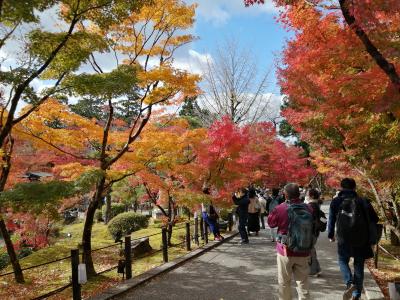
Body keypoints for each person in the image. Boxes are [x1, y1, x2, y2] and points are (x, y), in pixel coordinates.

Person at [328, 178, 379, 300]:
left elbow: (331, 220)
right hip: (361, 238)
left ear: (341, 187)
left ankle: (349, 282)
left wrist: (330, 234)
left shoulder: (336, 201)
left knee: (342, 260)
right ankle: (356, 294)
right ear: (355, 188)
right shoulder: (363, 201)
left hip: (343, 237)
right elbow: (375, 219)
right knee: (359, 264)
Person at [268, 183, 312, 300]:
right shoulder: (308, 208)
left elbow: (271, 223)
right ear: (299, 194)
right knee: (303, 283)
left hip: (285, 251)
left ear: (285, 195)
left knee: (284, 282)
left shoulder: (280, 208)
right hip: (304, 250)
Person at [307, 188, 327, 276]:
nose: (306, 196)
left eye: (307, 194)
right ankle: (316, 269)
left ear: (311, 196)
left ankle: (314, 270)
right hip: (315, 231)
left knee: (310, 250)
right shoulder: (316, 205)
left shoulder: (310, 206)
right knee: (311, 250)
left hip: (310, 232)